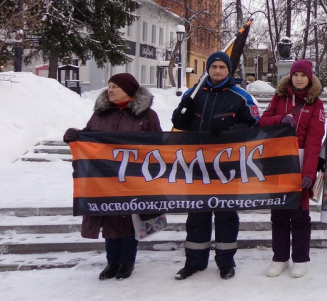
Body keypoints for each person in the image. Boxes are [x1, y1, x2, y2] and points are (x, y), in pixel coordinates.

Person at [63, 73, 161, 280]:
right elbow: (89, 138)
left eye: (116, 86)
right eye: (109, 86)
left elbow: (159, 145)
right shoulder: (100, 114)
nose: (111, 90)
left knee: (128, 220)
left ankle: (126, 262)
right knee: (108, 218)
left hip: (134, 178)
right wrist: (74, 136)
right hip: (104, 179)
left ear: (129, 90)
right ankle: (111, 263)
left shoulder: (147, 116)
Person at [171, 51, 260, 281]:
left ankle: (225, 262)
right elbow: (178, 123)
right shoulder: (195, 92)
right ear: (208, 69)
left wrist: (231, 131)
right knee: (197, 215)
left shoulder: (240, 96)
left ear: (228, 70)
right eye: (214, 67)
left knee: (225, 215)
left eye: (222, 67)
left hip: (227, 169)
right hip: (197, 166)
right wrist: (186, 106)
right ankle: (194, 262)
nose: (218, 71)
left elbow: (254, 126)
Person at [257, 59, 325, 279]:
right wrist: (280, 119)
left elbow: (315, 141)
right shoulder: (280, 98)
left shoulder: (316, 104)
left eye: (303, 76)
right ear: (291, 76)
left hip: (301, 163)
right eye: (296, 75)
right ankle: (280, 257)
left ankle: (300, 258)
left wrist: (309, 173)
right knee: (278, 213)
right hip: (278, 163)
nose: (298, 79)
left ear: (309, 78)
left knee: (299, 214)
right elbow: (262, 122)